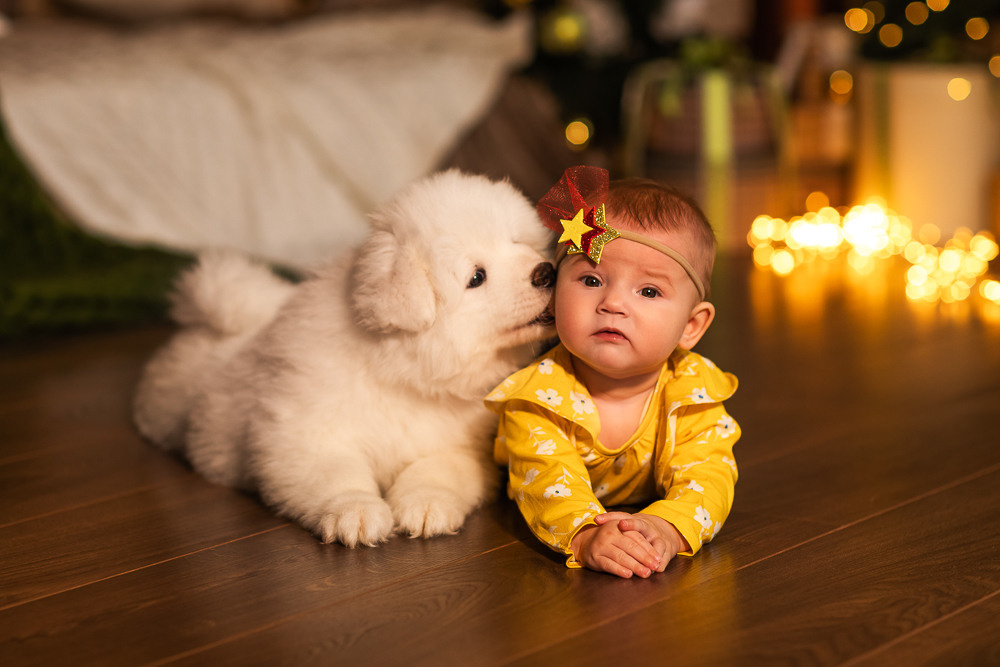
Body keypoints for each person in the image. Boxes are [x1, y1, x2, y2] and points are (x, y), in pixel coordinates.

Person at [485, 166, 740, 579]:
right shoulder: (537, 398)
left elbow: (709, 473)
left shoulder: (693, 391)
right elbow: (548, 481)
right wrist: (585, 533)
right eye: (591, 280)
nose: (613, 303)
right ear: (554, 293)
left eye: (649, 291)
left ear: (691, 326)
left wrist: (669, 526)